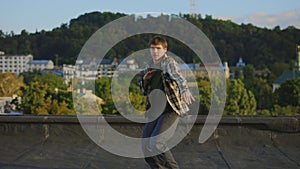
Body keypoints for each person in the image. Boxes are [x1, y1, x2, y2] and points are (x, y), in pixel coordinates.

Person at [141, 35, 195, 169]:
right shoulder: (148, 65)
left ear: (165, 50)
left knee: (157, 142)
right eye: (152, 48)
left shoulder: (168, 62)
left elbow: (178, 77)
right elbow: (143, 91)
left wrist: (185, 90)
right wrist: (145, 79)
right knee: (145, 146)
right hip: (154, 111)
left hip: (170, 110)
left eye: (158, 48)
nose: (155, 51)